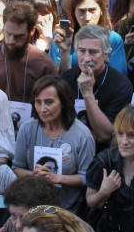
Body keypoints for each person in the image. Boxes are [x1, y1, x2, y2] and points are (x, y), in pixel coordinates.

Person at [13, 76, 95, 216]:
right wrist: (34, 175)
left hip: (68, 211)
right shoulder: (27, 129)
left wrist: (57, 178)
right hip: (32, 207)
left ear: (63, 103)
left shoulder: (82, 135)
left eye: (49, 102)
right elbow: (16, 168)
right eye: (38, 102)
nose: (42, 109)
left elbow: (87, 177)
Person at [60, 24, 133, 147]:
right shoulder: (66, 79)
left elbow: (106, 135)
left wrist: (88, 93)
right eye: (82, 51)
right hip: (66, 148)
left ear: (106, 54)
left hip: (103, 155)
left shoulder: (121, 86)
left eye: (93, 52)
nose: (86, 58)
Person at [0, 1, 58, 106]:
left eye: (18, 36)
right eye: (8, 33)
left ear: (32, 31)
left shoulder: (44, 64)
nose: (11, 41)